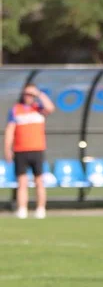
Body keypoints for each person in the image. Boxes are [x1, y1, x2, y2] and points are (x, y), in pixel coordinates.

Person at [4, 84, 55, 219]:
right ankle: (22, 209)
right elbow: (10, 130)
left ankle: (40, 208)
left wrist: (39, 94)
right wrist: (7, 148)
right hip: (20, 150)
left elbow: (50, 108)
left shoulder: (38, 109)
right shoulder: (16, 110)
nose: (28, 97)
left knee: (39, 181)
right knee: (22, 182)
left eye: (31, 94)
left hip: (37, 149)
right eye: (27, 94)